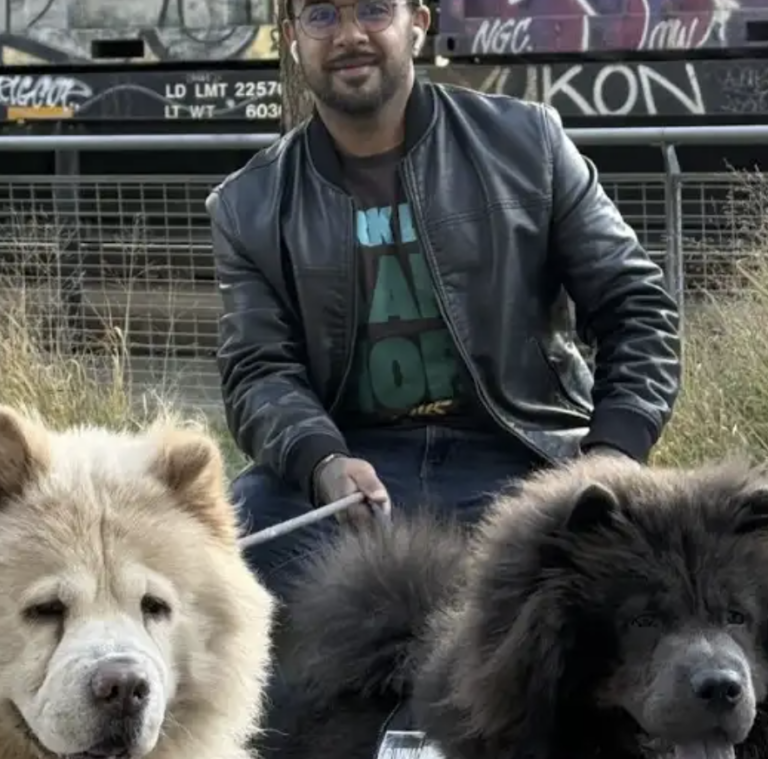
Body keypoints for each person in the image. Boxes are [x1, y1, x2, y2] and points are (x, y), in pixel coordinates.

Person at [207, 0, 681, 601]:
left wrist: (614, 452)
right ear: (292, 39)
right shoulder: (250, 204)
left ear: (419, 24)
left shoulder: (527, 144)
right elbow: (258, 370)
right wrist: (322, 463)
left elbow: (637, 305)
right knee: (236, 549)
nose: (350, 34)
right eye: (322, 16)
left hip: (522, 455)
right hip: (357, 472)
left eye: (373, 10)